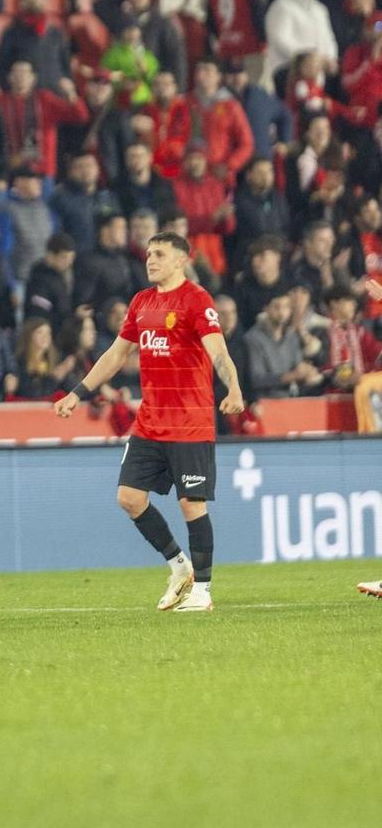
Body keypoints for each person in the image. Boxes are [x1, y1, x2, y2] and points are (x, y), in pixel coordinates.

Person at [54, 232, 246, 613]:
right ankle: (179, 567)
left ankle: (203, 591)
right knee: (128, 497)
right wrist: (78, 392)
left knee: (191, 505)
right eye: (148, 254)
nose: (150, 260)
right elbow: (115, 355)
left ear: (181, 260)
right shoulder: (142, 303)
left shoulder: (197, 300)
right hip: (150, 422)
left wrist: (235, 389)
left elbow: (218, 352)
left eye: (159, 254)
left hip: (189, 423)